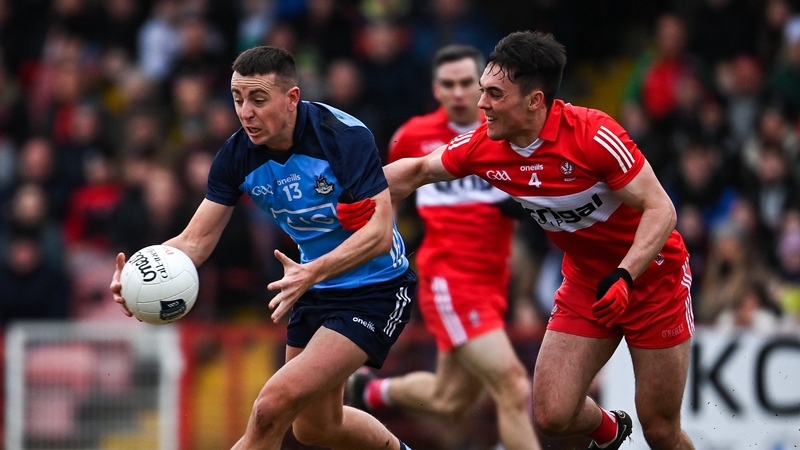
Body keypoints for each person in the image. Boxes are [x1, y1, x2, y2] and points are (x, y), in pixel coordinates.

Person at [342, 31, 697, 450]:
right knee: (551, 414)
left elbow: (662, 210)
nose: (480, 104)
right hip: (586, 283)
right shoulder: (484, 145)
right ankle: (611, 431)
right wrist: (356, 194)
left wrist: (626, 274)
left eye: (494, 94)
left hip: (652, 280)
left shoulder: (593, 135)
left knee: (659, 430)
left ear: (534, 101)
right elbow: (417, 170)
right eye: (482, 90)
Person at [109, 46, 416, 450]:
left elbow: (378, 235)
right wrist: (139, 277)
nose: (245, 112)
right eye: (238, 99)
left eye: (257, 99)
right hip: (313, 287)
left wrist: (312, 271)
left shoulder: (343, 137)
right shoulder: (236, 156)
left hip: (376, 290)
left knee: (270, 408)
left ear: (292, 98)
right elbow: (195, 241)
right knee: (316, 428)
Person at [346, 44, 541, 450]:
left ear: (484, 87)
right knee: (512, 385)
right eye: (448, 85)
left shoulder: (507, 132)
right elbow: (386, 203)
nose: (458, 93)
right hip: (449, 280)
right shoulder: (413, 137)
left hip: (494, 281)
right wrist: (377, 267)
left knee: (450, 401)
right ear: (436, 89)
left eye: (467, 83)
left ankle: (370, 391)